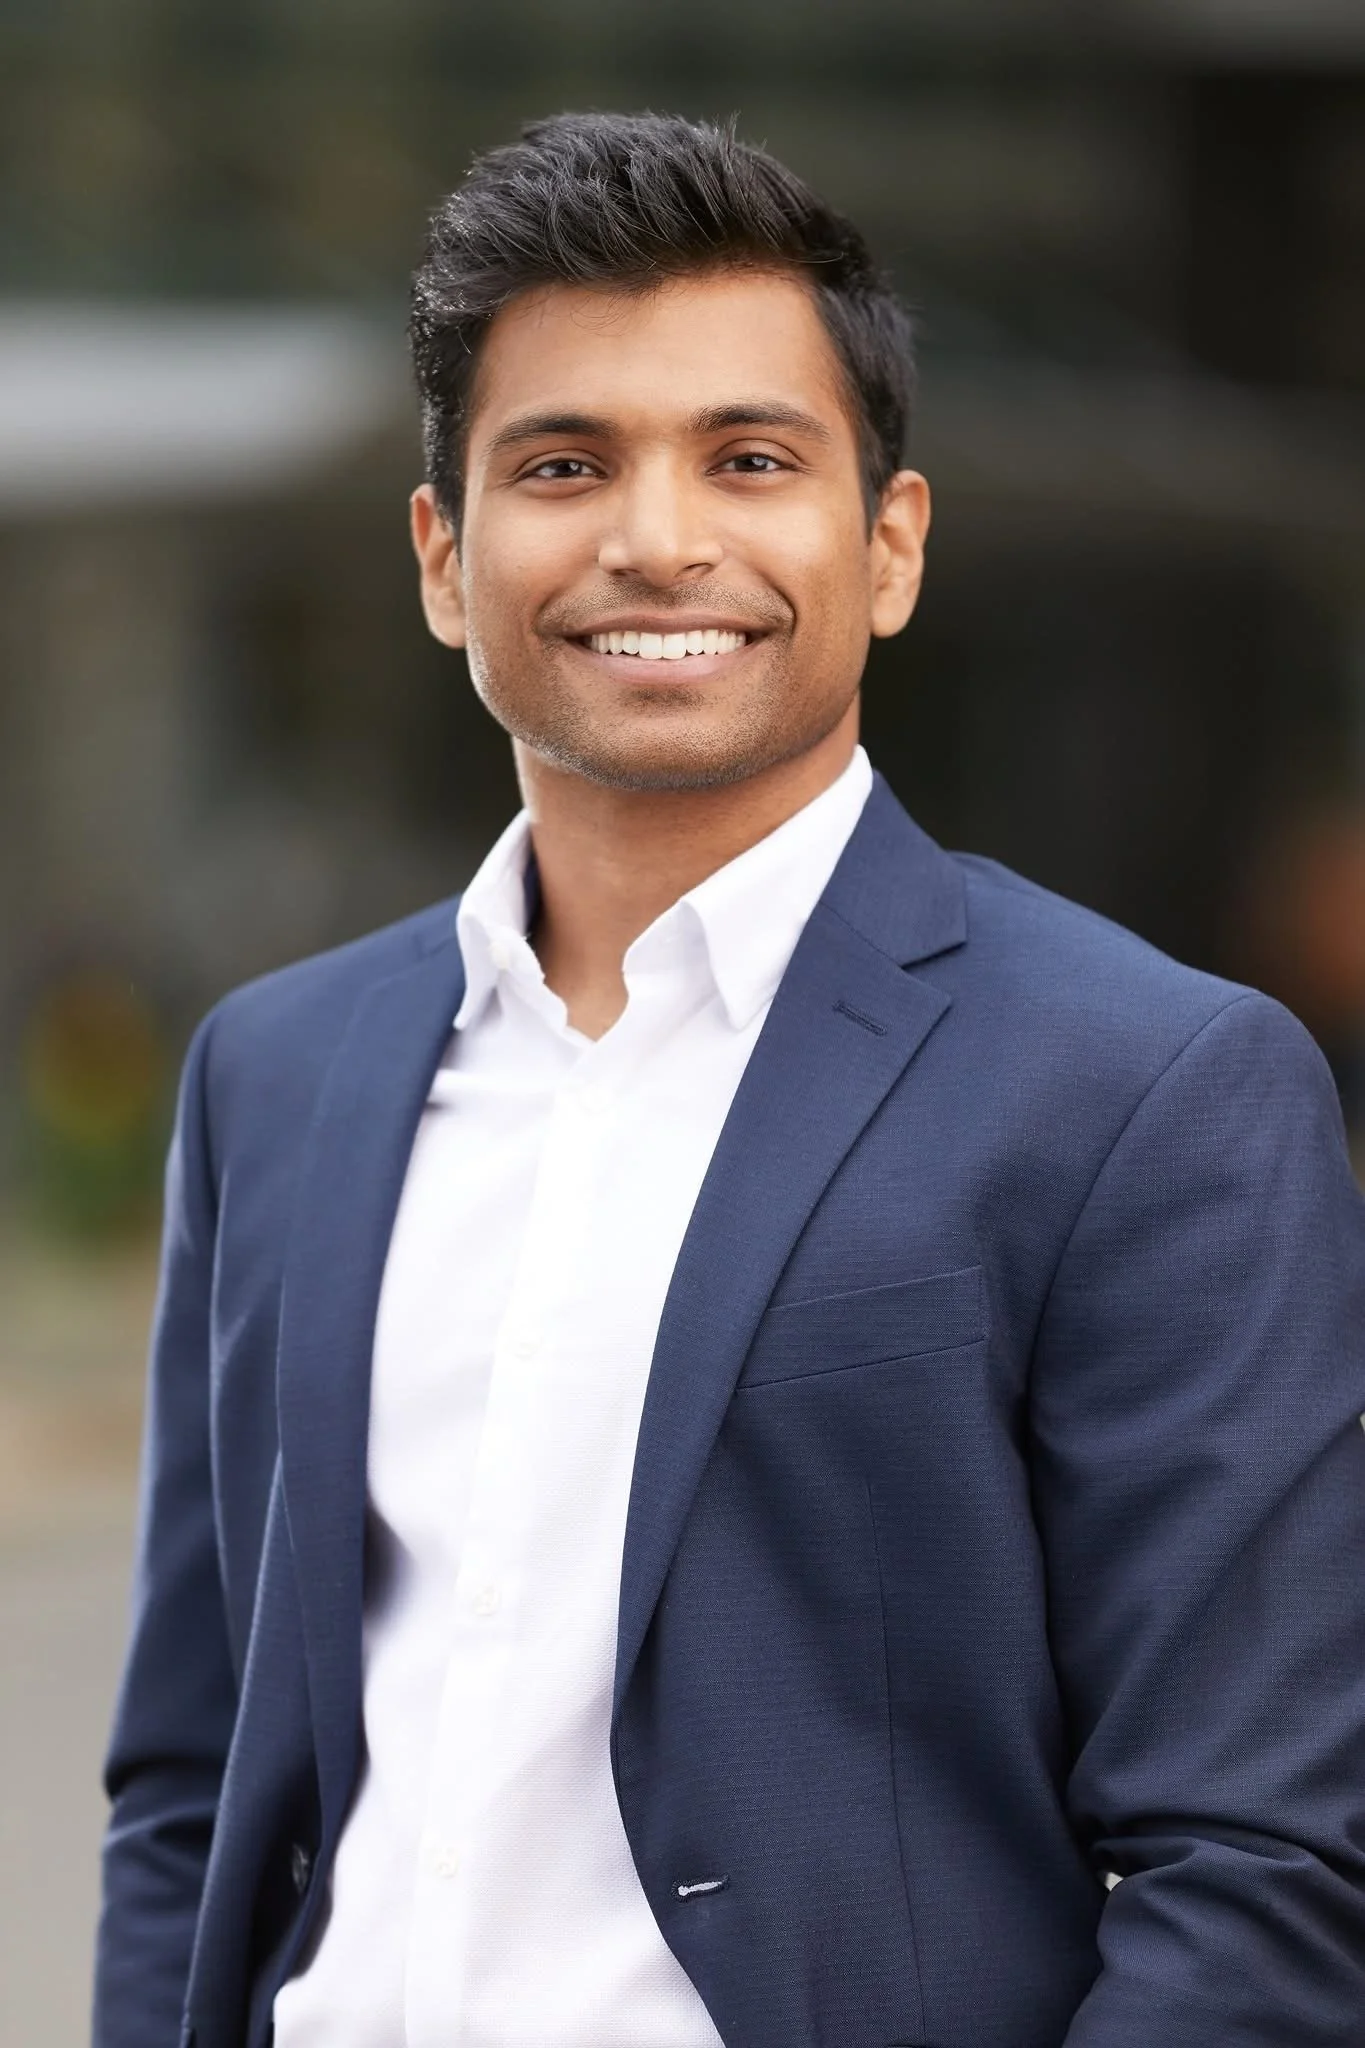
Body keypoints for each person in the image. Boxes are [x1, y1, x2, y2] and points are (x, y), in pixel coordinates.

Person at [95, 112, 1365, 2048]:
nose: (655, 537)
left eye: (749, 458)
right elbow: (193, 1782)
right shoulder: (276, 1068)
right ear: (445, 560)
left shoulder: (1148, 1085)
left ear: (888, 545)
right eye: (561, 463)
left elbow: (1262, 1857)